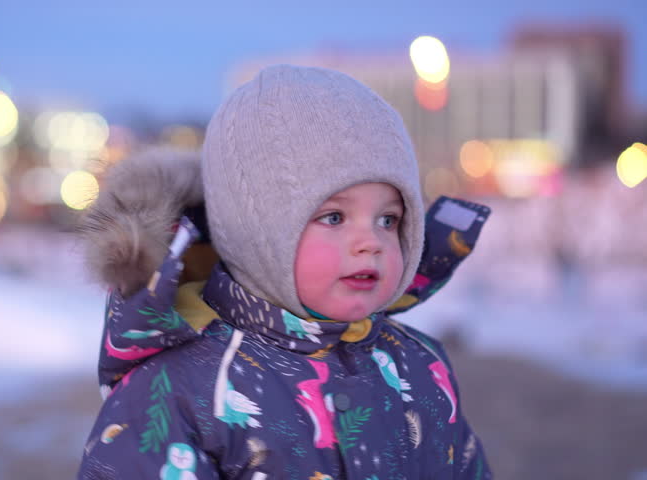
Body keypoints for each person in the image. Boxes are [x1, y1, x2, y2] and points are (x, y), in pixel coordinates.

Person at [77, 64, 492, 479]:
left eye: (388, 219)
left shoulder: (420, 364)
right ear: (255, 232)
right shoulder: (178, 392)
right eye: (333, 217)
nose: (371, 241)